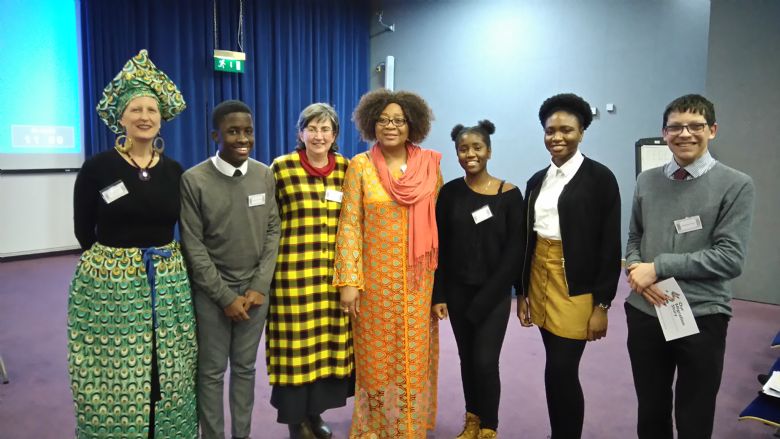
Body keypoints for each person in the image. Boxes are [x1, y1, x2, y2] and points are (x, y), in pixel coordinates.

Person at [68, 49, 197, 438]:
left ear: (161, 118)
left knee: (168, 365)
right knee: (114, 367)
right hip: (111, 286)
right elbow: (83, 230)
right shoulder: (98, 168)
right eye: (136, 109)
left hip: (168, 282)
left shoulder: (174, 171)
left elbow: (182, 225)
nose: (145, 116)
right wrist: (116, 265)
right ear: (120, 118)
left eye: (151, 110)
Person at [625, 94, 755, 439]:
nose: (685, 134)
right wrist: (636, 269)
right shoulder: (646, 180)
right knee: (650, 409)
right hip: (646, 310)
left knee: (694, 414)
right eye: (675, 127)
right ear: (664, 133)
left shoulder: (736, 185)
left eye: (695, 126)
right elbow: (635, 237)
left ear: (712, 130)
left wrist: (658, 267)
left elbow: (730, 257)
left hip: (701, 313)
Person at [333, 89, 442, 438]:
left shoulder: (430, 166)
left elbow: (439, 229)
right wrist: (349, 281)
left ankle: (409, 427)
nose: (390, 126)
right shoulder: (360, 166)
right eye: (383, 120)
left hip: (418, 282)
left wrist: (442, 290)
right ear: (371, 124)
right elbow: (350, 225)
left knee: (413, 356)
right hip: (375, 282)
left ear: (412, 125)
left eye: (398, 120)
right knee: (376, 360)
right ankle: (375, 428)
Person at [516, 93, 621, 439]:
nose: (557, 137)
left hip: (575, 283)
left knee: (563, 368)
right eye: (550, 131)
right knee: (553, 366)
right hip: (539, 275)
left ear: (582, 132)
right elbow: (527, 240)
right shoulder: (537, 180)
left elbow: (609, 247)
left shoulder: (600, 178)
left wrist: (602, 305)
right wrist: (522, 292)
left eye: (566, 130)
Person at [179, 100, 281, 439]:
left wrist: (260, 285)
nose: (243, 139)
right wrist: (224, 297)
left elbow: (272, 230)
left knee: (245, 368)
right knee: (211, 373)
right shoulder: (194, 180)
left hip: (254, 294)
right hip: (213, 295)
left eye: (248, 131)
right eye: (233, 131)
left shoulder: (264, 174)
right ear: (215, 136)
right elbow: (193, 245)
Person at [266, 103, 353, 439]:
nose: (319, 136)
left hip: (332, 278)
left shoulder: (346, 168)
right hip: (292, 277)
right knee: (294, 350)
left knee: (323, 349)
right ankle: (295, 420)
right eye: (312, 129)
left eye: (325, 129)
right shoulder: (281, 168)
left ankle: (314, 413)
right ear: (300, 133)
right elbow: (268, 223)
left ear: (334, 135)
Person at [432, 120, 523, 439]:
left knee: (485, 360)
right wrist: (439, 294)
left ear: (489, 151)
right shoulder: (449, 193)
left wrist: (489, 297)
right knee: (466, 359)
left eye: (477, 147)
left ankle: (489, 426)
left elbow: (515, 251)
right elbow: (440, 246)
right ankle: (472, 419)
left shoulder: (509, 194)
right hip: (458, 293)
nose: (470, 154)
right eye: (463, 149)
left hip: (494, 295)